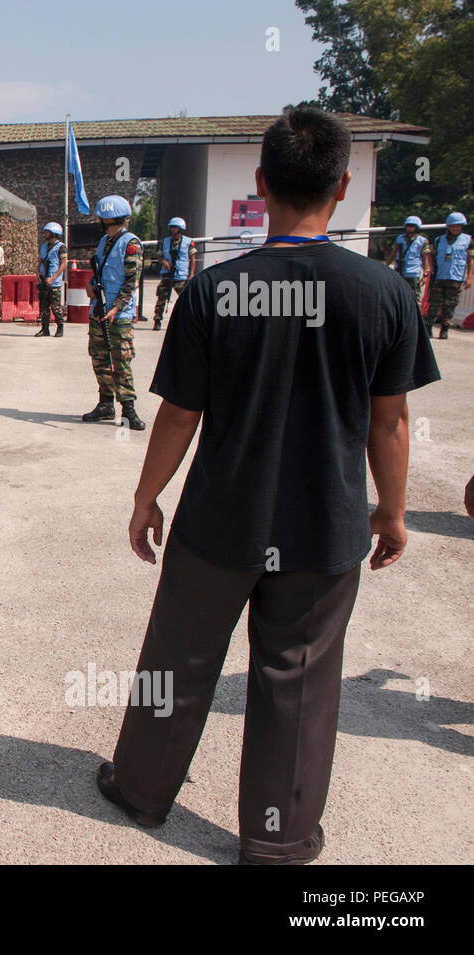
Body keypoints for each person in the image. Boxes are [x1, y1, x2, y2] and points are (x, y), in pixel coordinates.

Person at [99, 108, 440, 864]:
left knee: (179, 660)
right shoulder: (383, 294)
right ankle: (274, 841)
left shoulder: (215, 292)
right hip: (324, 532)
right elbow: (391, 424)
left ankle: (142, 789)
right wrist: (392, 510)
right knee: (299, 681)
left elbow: (179, 415)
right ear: (344, 185)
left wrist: (146, 495)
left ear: (261, 183)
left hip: (220, 522)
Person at [82, 195, 145, 430]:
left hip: (119, 314)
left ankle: (128, 409)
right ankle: (106, 404)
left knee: (121, 360)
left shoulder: (131, 243)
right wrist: (90, 285)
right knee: (99, 357)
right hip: (99, 310)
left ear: (108, 217)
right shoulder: (104, 242)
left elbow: (132, 281)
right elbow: (98, 272)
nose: (98, 220)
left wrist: (116, 308)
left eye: (100, 216)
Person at [429, 212, 471, 340]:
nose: (455, 228)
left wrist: (470, 276)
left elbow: (471, 260)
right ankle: (428, 328)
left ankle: (444, 329)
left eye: (458, 226)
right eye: (453, 226)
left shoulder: (468, 240)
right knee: (434, 303)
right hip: (439, 276)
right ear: (448, 226)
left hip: (456, 277)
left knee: (450, 305)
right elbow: (432, 256)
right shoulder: (438, 240)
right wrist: (430, 269)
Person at [151, 216, 195, 331]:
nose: (172, 229)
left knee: (185, 299)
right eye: (171, 227)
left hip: (181, 275)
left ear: (180, 228)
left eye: (174, 227)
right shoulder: (165, 242)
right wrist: (163, 261)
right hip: (167, 274)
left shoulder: (188, 242)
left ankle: (188, 321)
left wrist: (191, 275)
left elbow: (193, 258)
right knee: (161, 298)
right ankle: (157, 320)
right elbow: (159, 255)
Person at [34, 222, 67, 337]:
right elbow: (40, 260)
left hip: (54, 282)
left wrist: (53, 278)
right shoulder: (43, 247)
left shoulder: (61, 247)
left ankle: (60, 328)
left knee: (55, 307)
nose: (45, 234)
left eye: (47, 232)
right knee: (43, 306)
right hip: (43, 280)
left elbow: (63, 264)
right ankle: (45, 329)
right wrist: (38, 272)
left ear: (53, 233)